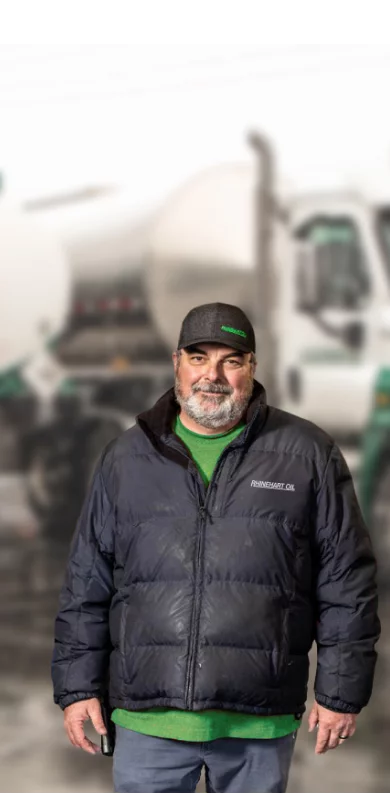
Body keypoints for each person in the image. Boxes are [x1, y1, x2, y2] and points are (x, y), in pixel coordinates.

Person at [52, 302, 380, 795]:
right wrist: (78, 688)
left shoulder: (307, 453)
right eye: (199, 357)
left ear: (252, 367)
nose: (214, 374)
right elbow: (87, 581)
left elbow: (346, 580)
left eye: (231, 359)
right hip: (149, 717)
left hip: (258, 719)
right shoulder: (126, 457)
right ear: (177, 363)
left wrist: (341, 692)